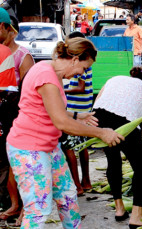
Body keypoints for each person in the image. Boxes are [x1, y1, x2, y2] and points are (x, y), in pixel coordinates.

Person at [6, 37, 124, 228]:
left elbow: (49, 108)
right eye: (84, 68)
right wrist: (101, 133)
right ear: (75, 59)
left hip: (49, 147)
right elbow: (61, 122)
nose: (81, 73)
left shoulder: (51, 71)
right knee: (38, 210)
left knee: (68, 197)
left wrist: (77, 115)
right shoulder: (47, 76)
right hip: (29, 148)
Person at [93, 67, 142, 228]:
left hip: (99, 118)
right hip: (124, 122)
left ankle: (119, 209)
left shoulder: (114, 79)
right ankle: (136, 216)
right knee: (140, 168)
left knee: (113, 161)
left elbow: (97, 103)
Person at [0, 15, 35, 226]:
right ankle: (13, 204)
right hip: (2, 116)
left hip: (16, 117)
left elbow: (29, 92)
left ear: (4, 27)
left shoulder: (23, 55)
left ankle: (24, 207)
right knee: (4, 161)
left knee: (17, 163)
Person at [61, 31, 93, 196]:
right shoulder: (83, 63)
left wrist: (63, 89)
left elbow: (81, 88)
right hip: (81, 109)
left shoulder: (82, 64)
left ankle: (78, 185)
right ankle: (85, 182)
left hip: (77, 110)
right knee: (81, 147)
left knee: (69, 148)